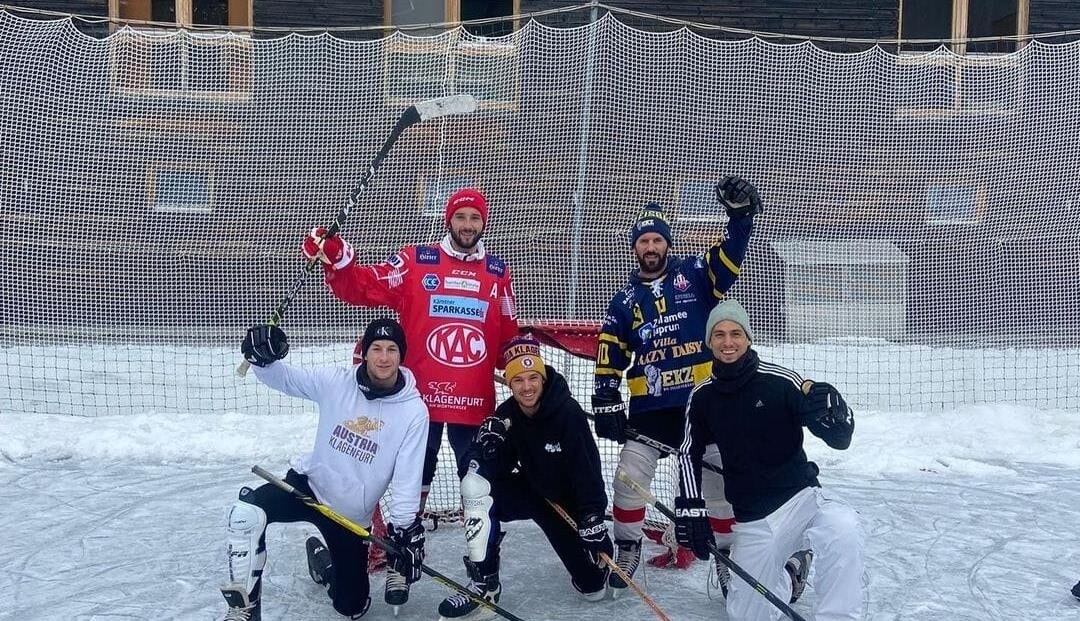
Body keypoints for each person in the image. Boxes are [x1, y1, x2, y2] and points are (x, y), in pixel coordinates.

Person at [591, 176, 764, 596]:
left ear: (668, 244)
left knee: (718, 488)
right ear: (634, 247)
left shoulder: (696, 273)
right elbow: (610, 348)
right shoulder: (624, 299)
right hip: (651, 410)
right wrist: (606, 396)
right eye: (643, 241)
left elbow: (731, 254)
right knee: (628, 478)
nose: (650, 248)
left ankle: (725, 558)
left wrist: (740, 219)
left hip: (702, 407)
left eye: (657, 240)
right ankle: (627, 546)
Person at [301, 188, 519, 518]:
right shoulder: (416, 261)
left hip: (474, 402)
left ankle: (483, 563)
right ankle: (400, 548)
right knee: (411, 480)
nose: (467, 224)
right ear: (449, 220)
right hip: (419, 402)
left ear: (484, 222)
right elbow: (364, 285)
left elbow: (508, 334)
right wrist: (338, 258)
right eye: (460, 216)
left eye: (475, 217)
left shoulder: (498, 273)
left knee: (477, 485)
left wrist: (526, 373)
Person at [220, 318, 429, 620]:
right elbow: (285, 379)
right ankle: (244, 610)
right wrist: (263, 359)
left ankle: (325, 565)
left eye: (392, 349)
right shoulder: (337, 381)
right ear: (365, 352)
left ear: (401, 355)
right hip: (306, 488)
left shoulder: (413, 412)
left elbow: (408, 478)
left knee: (352, 608)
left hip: (348, 516)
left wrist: (403, 529)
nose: (384, 357)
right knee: (245, 514)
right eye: (377, 348)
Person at [674, 299, 864, 620]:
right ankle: (792, 576)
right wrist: (690, 511)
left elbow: (836, 436)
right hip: (751, 519)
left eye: (736, 333)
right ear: (709, 342)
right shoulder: (703, 396)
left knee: (843, 526)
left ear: (748, 338)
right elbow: (688, 451)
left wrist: (838, 418)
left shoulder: (780, 380)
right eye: (719, 335)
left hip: (799, 501)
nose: (728, 342)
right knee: (747, 614)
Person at [436, 337, 615, 620]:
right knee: (480, 491)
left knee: (592, 587)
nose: (527, 386)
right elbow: (476, 475)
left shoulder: (567, 413)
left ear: (543, 378)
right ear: (509, 384)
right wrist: (482, 451)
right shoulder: (506, 415)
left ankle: (592, 561)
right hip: (533, 493)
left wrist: (592, 517)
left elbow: (588, 472)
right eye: (518, 380)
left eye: (533, 378)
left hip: (565, 504)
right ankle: (485, 582)